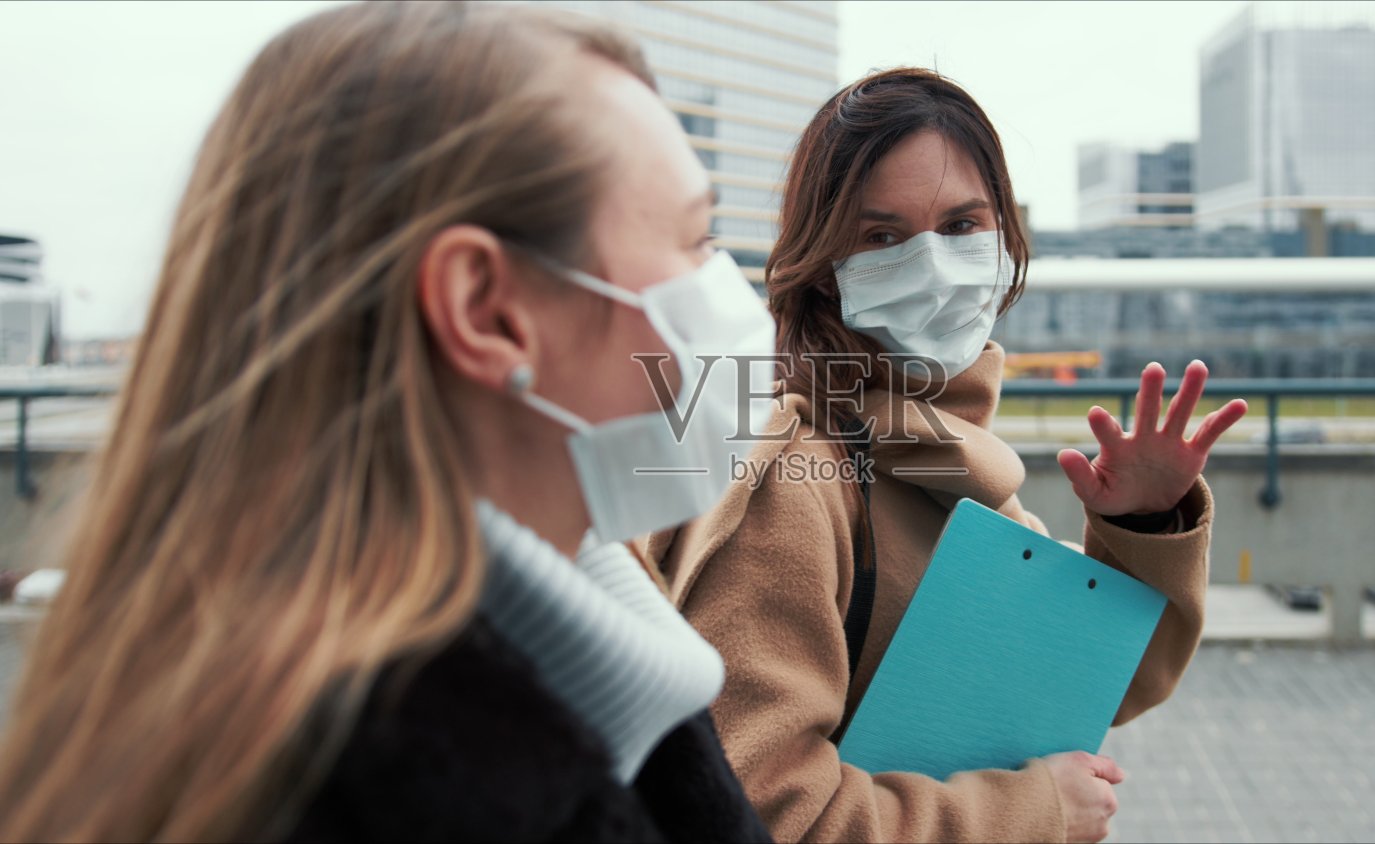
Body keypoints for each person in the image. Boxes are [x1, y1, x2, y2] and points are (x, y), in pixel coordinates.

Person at [0, 4, 775, 841]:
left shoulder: (208, 685)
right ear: (485, 310)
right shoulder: (373, 795)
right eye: (699, 240)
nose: (727, 285)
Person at [645, 68, 1249, 843]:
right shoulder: (799, 480)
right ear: (825, 271)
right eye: (883, 237)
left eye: (963, 225)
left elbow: (1076, 692)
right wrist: (1034, 813)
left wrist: (1144, 521)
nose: (933, 268)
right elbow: (765, 814)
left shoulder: (938, 454)